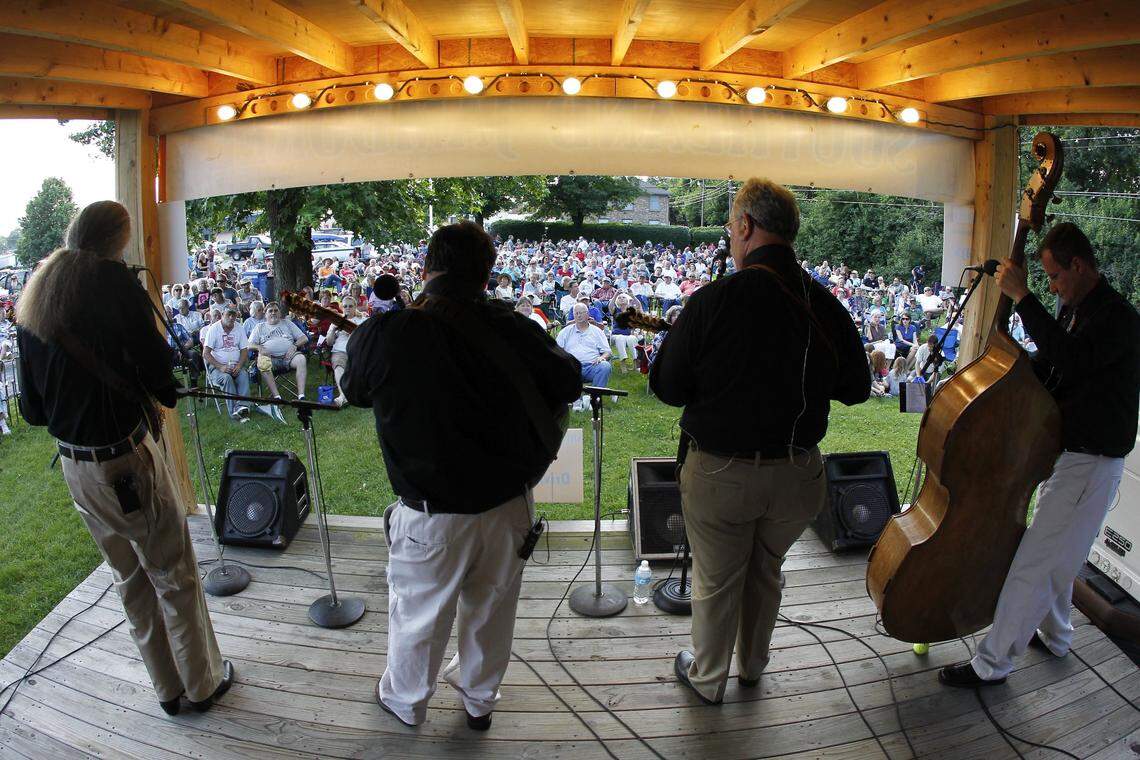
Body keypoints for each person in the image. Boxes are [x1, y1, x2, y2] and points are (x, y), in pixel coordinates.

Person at [341, 221, 580, 730]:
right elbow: (568, 378)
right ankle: (479, 702)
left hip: (431, 514)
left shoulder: (391, 332)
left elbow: (355, 389)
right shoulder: (517, 327)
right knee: (491, 615)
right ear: (487, 273)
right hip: (508, 507)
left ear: (428, 268)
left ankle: (406, 703)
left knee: (419, 619)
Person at [649, 178, 869, 705]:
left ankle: (707, 679)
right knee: (765, 570)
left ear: (746, 226)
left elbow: (665, 385)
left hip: (722, 475)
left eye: (730, 225)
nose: (730, 236)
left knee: (718, 580)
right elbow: (858, 387)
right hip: (797, 476)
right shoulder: (823, 303)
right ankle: (751, 668)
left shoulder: (715, 300)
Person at [15, 201, 233, 716]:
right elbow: (163, 380)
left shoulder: (37, 293)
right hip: (125, 460)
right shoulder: (117, 287)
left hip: (77, 467)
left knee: (128, 577)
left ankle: (167, 689)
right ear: (119, 239)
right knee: (173, 572)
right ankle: (202, 685)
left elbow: (31, 410)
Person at [939, 222, 1140, 688]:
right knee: (1060, 555)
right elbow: (1055, 369)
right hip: (1073, 456)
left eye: (1055, 277)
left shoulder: (1117, 319)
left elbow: (1071, 361)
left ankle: (992, 663)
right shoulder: (1078, 312)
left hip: (1090, 461)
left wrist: (1023, 298)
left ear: (1079, 265)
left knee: (1036, 558)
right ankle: (1057, 636)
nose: (1051, 287)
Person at [248, 301, 308, 401]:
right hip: (270, 358)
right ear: (265, 314)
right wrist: (259, 348)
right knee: (263, 363)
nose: (273, 313)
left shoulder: (287, 323)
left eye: (276, 310)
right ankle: (277, 397)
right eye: (270, 311)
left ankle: (301, 396)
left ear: (279, 313)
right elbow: (249, 345)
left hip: (289, 357)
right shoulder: (259, 327)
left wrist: (294, 345)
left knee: (301, 359)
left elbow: (304, 338)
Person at [557, 302, 612, 411]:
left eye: (581, 313)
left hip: (591, 366)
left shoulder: (597, 331)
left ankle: (594, 399)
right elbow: (556, 350)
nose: (579, 315)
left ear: (587, 315)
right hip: (572, 367)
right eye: (576, 313)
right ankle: (575, 399)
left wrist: (602, 358)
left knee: (605, 366)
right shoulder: (565, 332)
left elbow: (607, 352)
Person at [201, 305, 252, 421]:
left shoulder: (239, 328)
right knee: (226, 379)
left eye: (233, 315)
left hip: (235, 365)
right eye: (228, 314)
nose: (231, 317)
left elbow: (244, 350)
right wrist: (220, 367)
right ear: (222, 315)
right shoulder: (213, 329)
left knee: (243, 374)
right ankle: (234, 412)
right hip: (217, 368)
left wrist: (239, 365)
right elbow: (206, 353)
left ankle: (243, 407)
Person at [326, 298, 366, 407]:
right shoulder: (336, 320)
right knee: (338, 365)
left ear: (355, 306)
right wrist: (333, 330)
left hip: (358, 352)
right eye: (345, 306)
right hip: (340, 351)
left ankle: (344, 397)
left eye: (350, 306)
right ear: (341, 307)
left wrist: (355, 335)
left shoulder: (362, 319)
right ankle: (343, 395)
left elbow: (369, 339)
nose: (347, 308)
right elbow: (329, 343)